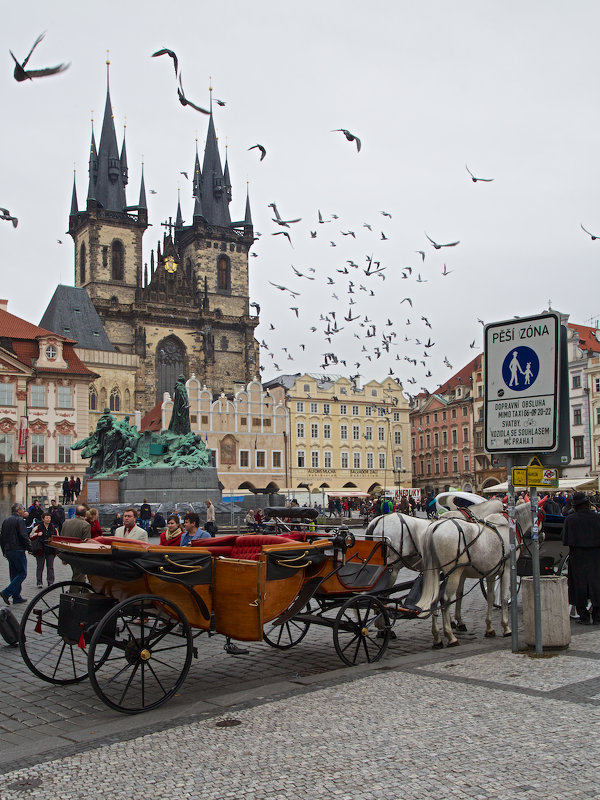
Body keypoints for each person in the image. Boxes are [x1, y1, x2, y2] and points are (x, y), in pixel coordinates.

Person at [562, 492, 600, 624]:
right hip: (596, 556)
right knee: (596, 585)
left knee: (579, 586)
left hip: (577, 557)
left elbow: (565, 539)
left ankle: (583, 616)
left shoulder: (571, 519)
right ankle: (597, 616)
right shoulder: (597, 518)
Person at [0, 503, 31, 605]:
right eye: (22, 509)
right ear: (18, 511)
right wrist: (30, 547)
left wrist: (4, 551)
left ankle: (17, 597)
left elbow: (2, 537)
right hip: (17, 549)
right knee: (22, 573)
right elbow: (23, 535)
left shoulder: (6, 520)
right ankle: (6, 592)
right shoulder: (19, 520)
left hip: (8, 550)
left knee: (14, 574)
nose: (23, 511)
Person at [58, 504, 91, 586]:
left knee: (80, 577)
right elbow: (86, 542)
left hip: (67, 553)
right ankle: (73, 595)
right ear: (85, 514)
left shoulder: (66, 523)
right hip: (79, 556)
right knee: (78, 578)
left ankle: (85, 594)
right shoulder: (85, 525)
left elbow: (62, 538)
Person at [30, 511, 57, 588]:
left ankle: (50, 582)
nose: (48, 519)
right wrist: (37, 534)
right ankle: (39, 582)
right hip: (40, 549)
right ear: (43, 519)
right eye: (47, 518)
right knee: (40, 566)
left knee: (50, 566)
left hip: (50, 550)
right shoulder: (38, 527)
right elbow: (31, 536)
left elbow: (57, 537)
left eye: (49, 518)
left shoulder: (53, 528)